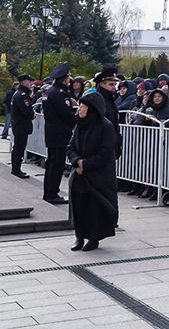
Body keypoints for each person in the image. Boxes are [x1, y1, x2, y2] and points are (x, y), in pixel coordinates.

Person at [67, 92, 119, 251]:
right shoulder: (80, 125)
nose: (80, 109)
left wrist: (86, 164)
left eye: (83, 107)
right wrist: (77, 161)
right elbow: (71, 147)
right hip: (80, 173)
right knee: (79, 206)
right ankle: (79, 236)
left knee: (95, 207)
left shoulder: (106, 126)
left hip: (98, 176)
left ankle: (94, 238)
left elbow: (105, 153)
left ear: (92, 108)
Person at [42, 62, 76, 205]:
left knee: (51, 163)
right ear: (65, 78)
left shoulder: (49, 91)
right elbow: (66, 114)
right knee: (56, 164)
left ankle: (49, 192)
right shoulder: (60, 93)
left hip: (51, 131)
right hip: (59, 132)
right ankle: (52, 193)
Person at [9, 75, 35, 178]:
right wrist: (31, 114)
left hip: (18, 124)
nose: (31, 84)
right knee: (19, 147)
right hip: (22, 125)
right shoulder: (22, 95)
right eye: (29, 82)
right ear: (24, 82)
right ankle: (16, 169)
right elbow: (27, 111)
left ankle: (15, 168)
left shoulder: (19, 94)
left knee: (17, 147)